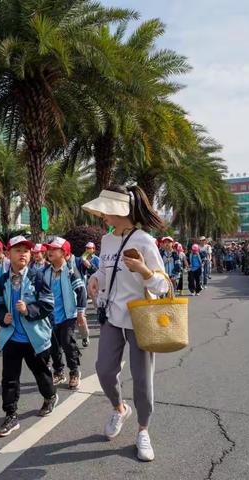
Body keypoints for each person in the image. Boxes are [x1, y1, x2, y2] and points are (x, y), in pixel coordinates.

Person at [83, 185, 169, 462]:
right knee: (104, 370)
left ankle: (143, 430)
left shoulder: (145, 241)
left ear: (120, 211)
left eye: (105, 211)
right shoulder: (107, 241)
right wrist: (95, 278)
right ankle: (119, 408)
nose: (102, 216)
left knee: (142, 380)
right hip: (110, 316)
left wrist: (144, 270)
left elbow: (163, 285)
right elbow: (104, 271)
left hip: (140, 319)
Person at [0, 235, 58, 437]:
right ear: (8, 254)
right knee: (9, 379)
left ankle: (50, 396)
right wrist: (4, 317)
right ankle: (11, 415)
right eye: (18, 250)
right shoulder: (2, 280)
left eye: (26, 251)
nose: (23, 254)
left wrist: (28, 309)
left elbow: (48, 304)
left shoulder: (37, 277)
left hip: (34, 339)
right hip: (11, 338)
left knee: (41, 374)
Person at [44, 237, 87, 389]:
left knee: (68, 343)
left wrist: (81, 312)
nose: (49, 251)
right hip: (51, 317)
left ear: (64, 252)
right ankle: (58, 372)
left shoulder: (70, 271)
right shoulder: (46, 272)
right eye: (48, 249)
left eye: (54, 249)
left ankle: (74, 371)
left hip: (68, 316)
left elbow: (81, 291)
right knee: (53, 347)